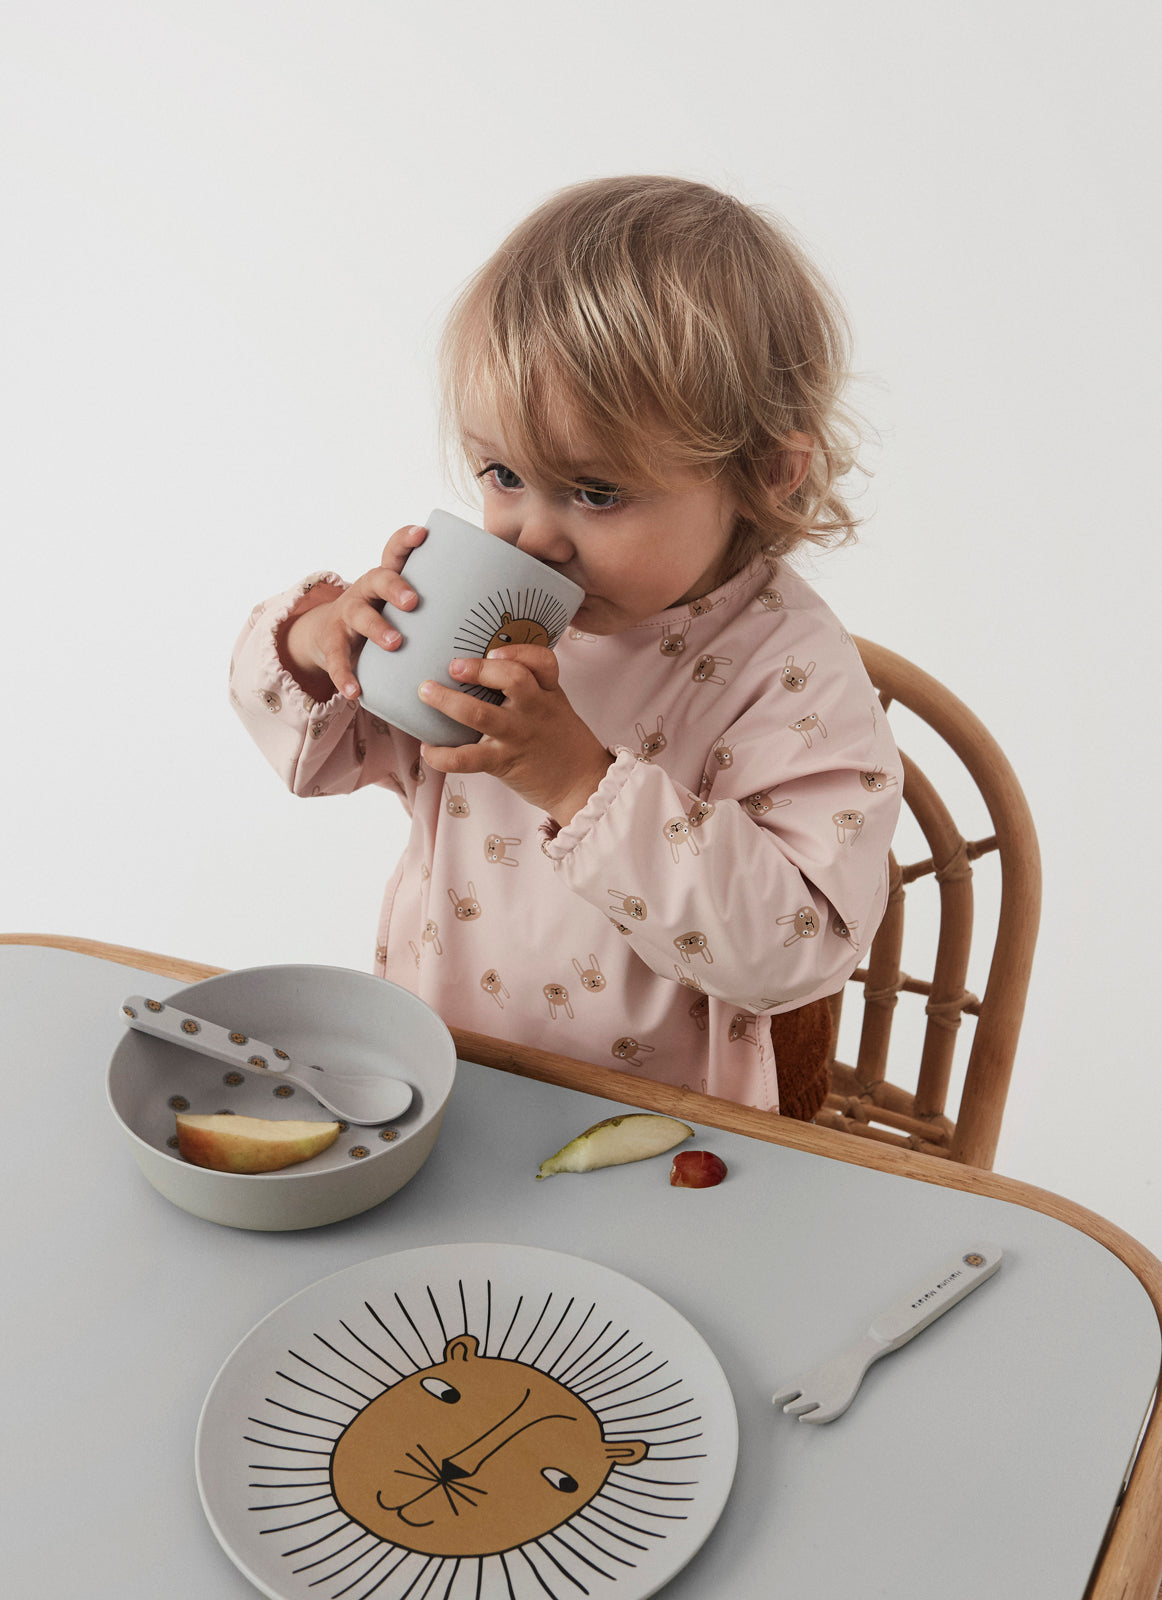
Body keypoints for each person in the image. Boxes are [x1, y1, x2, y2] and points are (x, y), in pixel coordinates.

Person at [229, 174, 901, 1113]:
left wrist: (580, 781)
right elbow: (326, 758)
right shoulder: (491, 609)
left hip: (673, 1124)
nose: (529, 539)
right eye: (502, 474)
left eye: (595, 492)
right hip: (450, 1074)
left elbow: (792, 950)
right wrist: (326, 642)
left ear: (767, 478)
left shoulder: (789, 678)